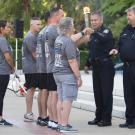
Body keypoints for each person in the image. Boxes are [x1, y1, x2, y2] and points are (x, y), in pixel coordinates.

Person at [53, 17, 82, 133]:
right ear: (69, 27)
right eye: (73, 24)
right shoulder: (68, 41)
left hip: (57, 72)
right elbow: (72, 61)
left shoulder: (59, 39)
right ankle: (64, 125)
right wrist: (78, 76)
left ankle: (60, 123)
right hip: (66, 73)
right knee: (68, 100)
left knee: (60, 98)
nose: (74, 27)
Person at [87, 11, 115, 127]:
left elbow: (104, 39)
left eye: (95, 20)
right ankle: (98, 117)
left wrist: (93, 33)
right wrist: (87, 63)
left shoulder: (106, 32)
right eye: (92, 20)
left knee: (106, 93)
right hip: (96, 67)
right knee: (97, 93)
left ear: (101, 20)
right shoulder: (94, 35)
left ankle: (106, 119)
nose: (93, 22)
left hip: (106, 67)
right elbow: (92, 51)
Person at [117, 6, 135, 129]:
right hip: (126, 67)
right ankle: (129, 119)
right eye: (127, 15)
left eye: (130, 15)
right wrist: (116, 50)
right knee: (128, 94)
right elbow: (120, 45)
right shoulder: (125, 30)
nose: (127, 17)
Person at [22, 17, 42, 122]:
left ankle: (30, 113)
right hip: (31, 68)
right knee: (31, 89)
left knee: (33, 89)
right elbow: (35, 55)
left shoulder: (35, 36)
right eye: (37, 24)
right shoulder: (30, 37)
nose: (40, 26)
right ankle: (28, 113)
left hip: (34, 68)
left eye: (40, 24)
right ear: (32, 25)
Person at [36, 12, 51, 126]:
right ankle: (44, 116)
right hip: (45, 66)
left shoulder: (41, 32)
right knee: (45, 91)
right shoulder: (48, 31)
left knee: (42, 91)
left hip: (40, 65)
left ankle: (41, 115)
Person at [0, 20, 15, 126]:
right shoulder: (2, 40)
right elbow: (7, 56)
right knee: (1, 96)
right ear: (1, 28)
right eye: (8, 27)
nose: (10, 29)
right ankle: (0, 119)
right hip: (3, 72)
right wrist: (13, 66)